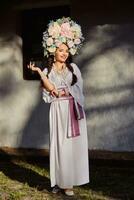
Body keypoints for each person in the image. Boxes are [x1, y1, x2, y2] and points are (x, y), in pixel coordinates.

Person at [28, 17, 89, 196]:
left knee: (72, 146)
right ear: (53, 51)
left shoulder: (74, 69)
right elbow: (50, 92)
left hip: (73, 110)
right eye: (60, 50)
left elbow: (79, 88)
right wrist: (40, 73)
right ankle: (59, 181)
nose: (64, 53)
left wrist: (66, 91)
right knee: (59, 145)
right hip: (58, 111)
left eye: (66, 51)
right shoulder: (48, 71)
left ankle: (69, 182)